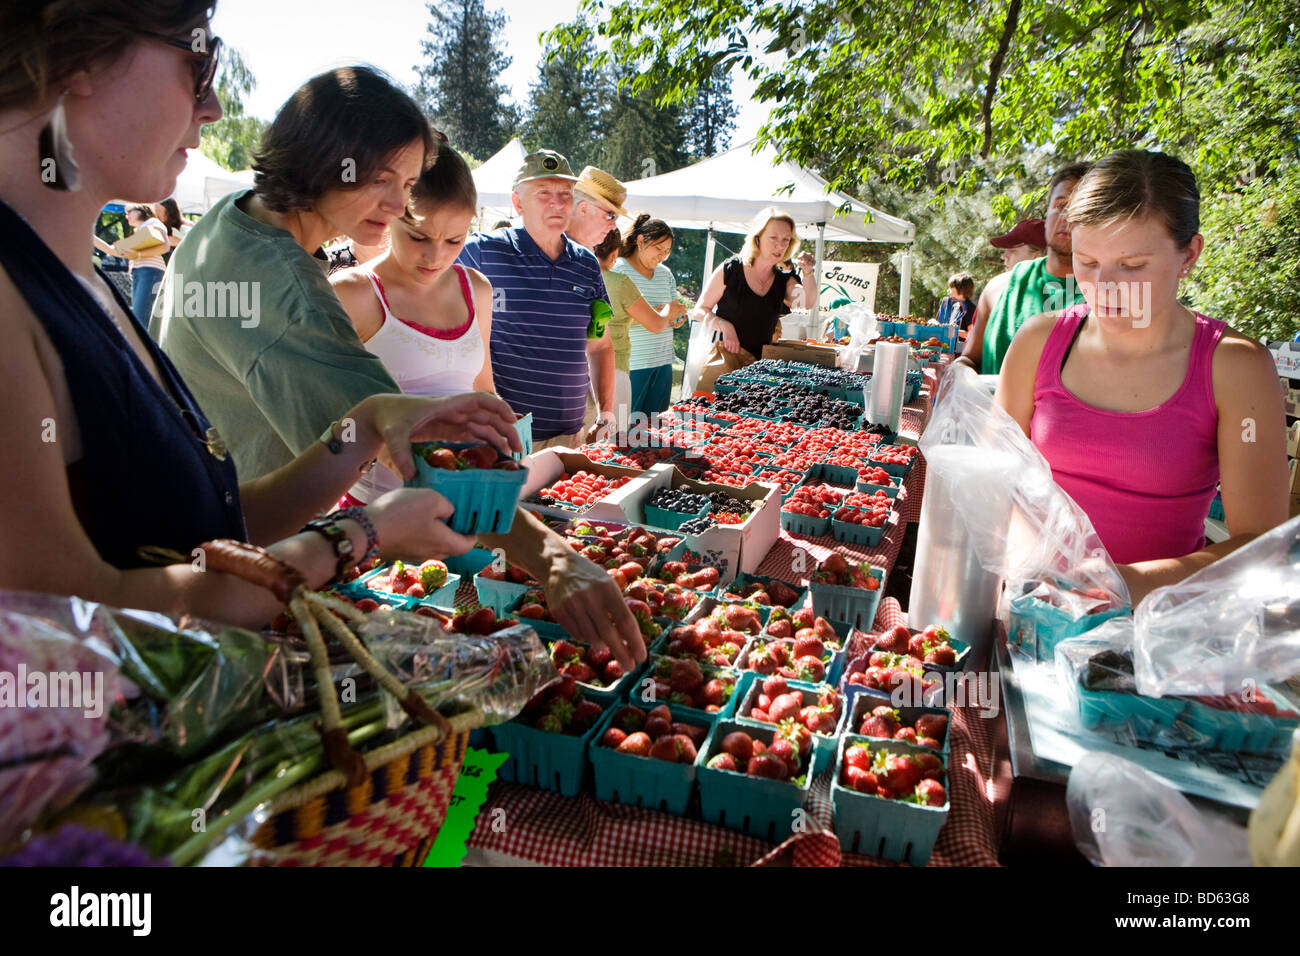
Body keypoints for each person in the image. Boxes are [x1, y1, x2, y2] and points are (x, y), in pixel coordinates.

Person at [995, 150, 1290, 603]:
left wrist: (1121, 585)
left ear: (1189, 253)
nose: (1105, 287)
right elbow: (992, 485)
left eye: (1132, 266)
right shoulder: (1037, 343)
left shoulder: (1236, 368)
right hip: (1028, 613)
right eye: (1088, 262)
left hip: (1154, 639)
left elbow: (1260, 547)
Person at [152, 66, 430, 480]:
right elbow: (408, 449)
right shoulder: (289, 293)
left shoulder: (231, 215)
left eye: (408, 184)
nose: (396, 205)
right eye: (378, 179)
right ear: (321, 161)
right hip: (243, 531)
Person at [330, 138, 495, 504]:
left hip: (462, 500)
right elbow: (319, 416)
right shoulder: (353, 294)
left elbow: (482, 388)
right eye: (419, 236)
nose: (435, 256)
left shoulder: (478, 290)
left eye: (455, 240)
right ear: (391, 216)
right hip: (376, 511)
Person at [455, 150, 617, 448]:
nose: (557, 203)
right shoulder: (482, 252)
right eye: (543, 193)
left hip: (571, 436)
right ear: (518, 202)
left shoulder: (587, 264)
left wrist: (606, 413)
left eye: (565, 194)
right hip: (504, 437)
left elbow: (601, 346)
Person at [959, 166, 1092, 375]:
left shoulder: (1109, 298)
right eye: (1060, 205)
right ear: (1046, 215)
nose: (1067, 216)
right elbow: (970, 359)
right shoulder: (998, 289)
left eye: (1081, 208)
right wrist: (958, 374)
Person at [691, 207, 816, 367]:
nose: (780, 245)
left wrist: (808, 272)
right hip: (722, 363)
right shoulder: (731, 270)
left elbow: (806, 303)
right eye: (773, 238)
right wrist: (724, 325)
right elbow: (699, 311)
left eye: (786, 239)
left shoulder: (783, 280)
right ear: (757, 238)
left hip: (758, 369)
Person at [614, 215, 686, 415]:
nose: (662, 255)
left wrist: (678, 317)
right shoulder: (619, 270)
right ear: (640, 241)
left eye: (667, 251)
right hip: (633, 365)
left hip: (663, 363)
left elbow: (673, 314)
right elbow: (618, 320)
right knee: (625, 429)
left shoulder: (665, 274)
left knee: (654, 430)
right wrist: (663, 311)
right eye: (658, 248)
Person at [965, 218, 1047, 351]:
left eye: (1012, 250)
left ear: (1037, 257)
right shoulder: (994, 291)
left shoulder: (1066, 300)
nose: (1004, 256)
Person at [92, 203, 168, 322]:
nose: (127, 216)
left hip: (150, 272)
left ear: (141, 210)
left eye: (129, 212)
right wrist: (89, 236)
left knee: (140, 317)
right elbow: (113, 251)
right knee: (141, 316)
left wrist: (138, 255)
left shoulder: (152, 223)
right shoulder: (138, 232)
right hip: (140, 273)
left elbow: (164, 246)